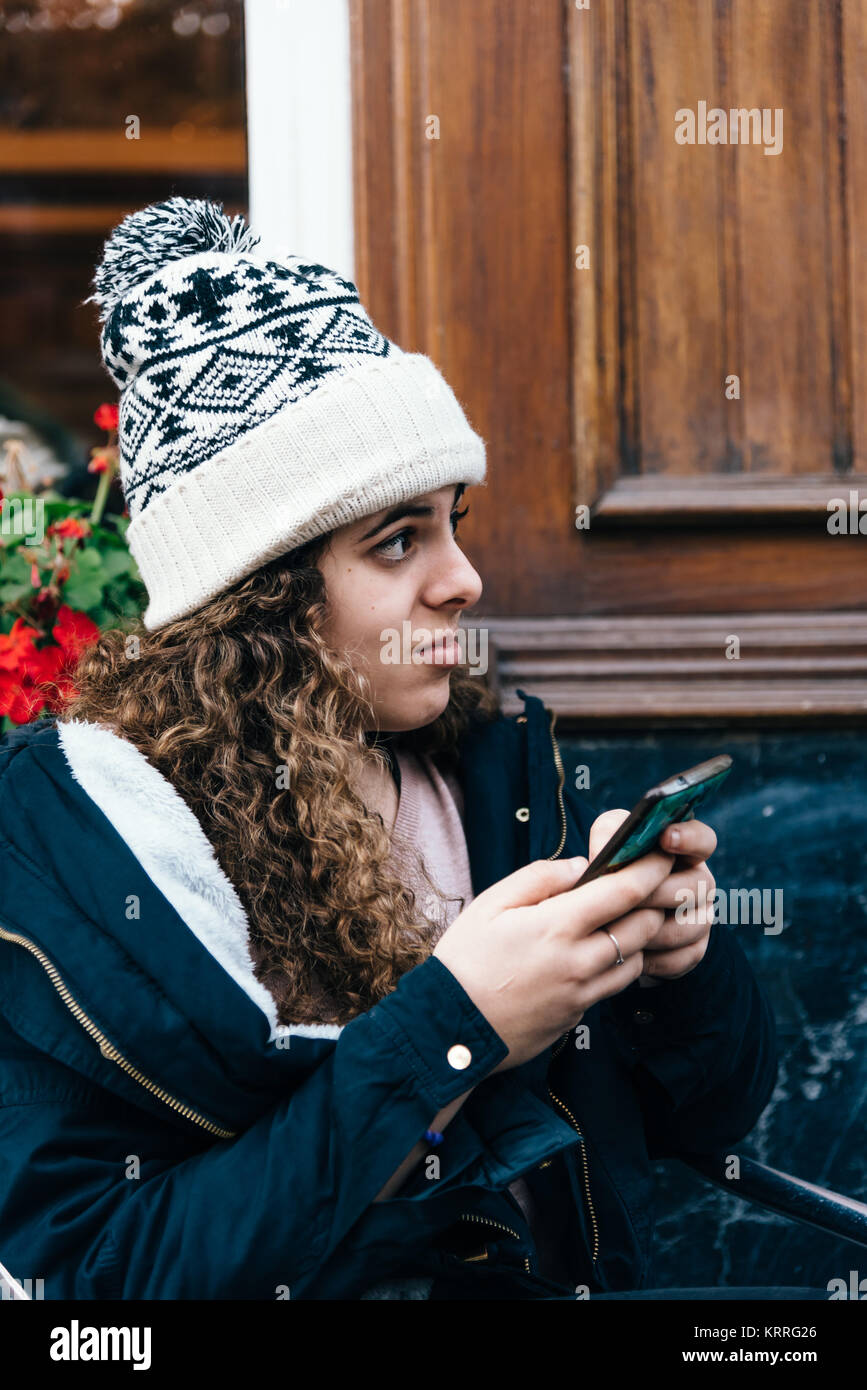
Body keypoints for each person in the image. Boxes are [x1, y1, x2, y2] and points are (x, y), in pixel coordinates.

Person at [0, 198, 824, 1301]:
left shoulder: (493, 772)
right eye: (398, 539)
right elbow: (102, 1284)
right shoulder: (88, 856)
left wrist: (679, 968)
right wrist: (455, 1023)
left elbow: (708, 1120)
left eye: (454, 519)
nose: (462, 578)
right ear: (261, 597)